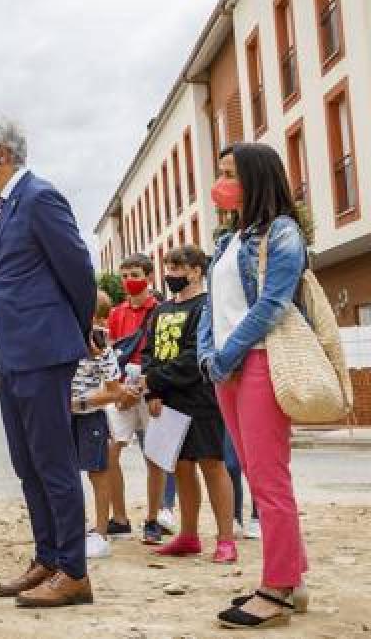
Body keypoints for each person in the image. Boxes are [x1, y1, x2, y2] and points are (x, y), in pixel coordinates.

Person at [0, 118, 96, 608]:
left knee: (54, 463)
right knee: (27, 464)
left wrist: (74, 330)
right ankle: (49, 557)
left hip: (43, 350)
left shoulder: (39, 197)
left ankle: (74, 571)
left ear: (2, 154)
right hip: (13, 353)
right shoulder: (1, 208)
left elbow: (78, 269)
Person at [198, 143, 311, 629]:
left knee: (269, 479)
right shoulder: (227, 240)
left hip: (260, 363)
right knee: (253, 471)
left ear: (255, 178)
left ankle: (278, 590)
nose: (219, 181)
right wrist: (209, 355)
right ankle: (293, 578)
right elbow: (211, 305)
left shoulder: (282, 233)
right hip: (227, 369)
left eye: (228, 173)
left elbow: (272, 304)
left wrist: (227, 354)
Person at [142, 245, 237, 564]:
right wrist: (151, 392)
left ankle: (226, 540)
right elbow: (149, 354)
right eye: (167, 267)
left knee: (212, 464)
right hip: (167, 401)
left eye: (178, 268)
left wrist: (154, 381)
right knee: (181, 468)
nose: (170, 274)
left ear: (196, 271)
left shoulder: (206, 307)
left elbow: (194, 355)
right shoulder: (160, 311)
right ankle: (188, 535)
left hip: (201, 399)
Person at [106, 254, 166, 543]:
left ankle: (153, 519)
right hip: (122, 389)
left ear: (149, 277)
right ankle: (119, 518)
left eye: (135, 274)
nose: (129, 281)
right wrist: (119, 390)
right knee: (109, 452)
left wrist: (147, 388)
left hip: (150, 387)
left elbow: (163, 354)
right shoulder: (116, 314)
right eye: (125, 275)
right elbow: (114, 353)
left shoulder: (162, 311)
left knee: (153, 455)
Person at [75, 291, 124, 560]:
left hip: (90, 417)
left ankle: (101, 532)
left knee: (98, 472)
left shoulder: (102, 348)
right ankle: (76, 528)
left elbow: (115, 391)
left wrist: (80, 402)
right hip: (64, 418)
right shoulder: (65, 340)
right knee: (67, 475)